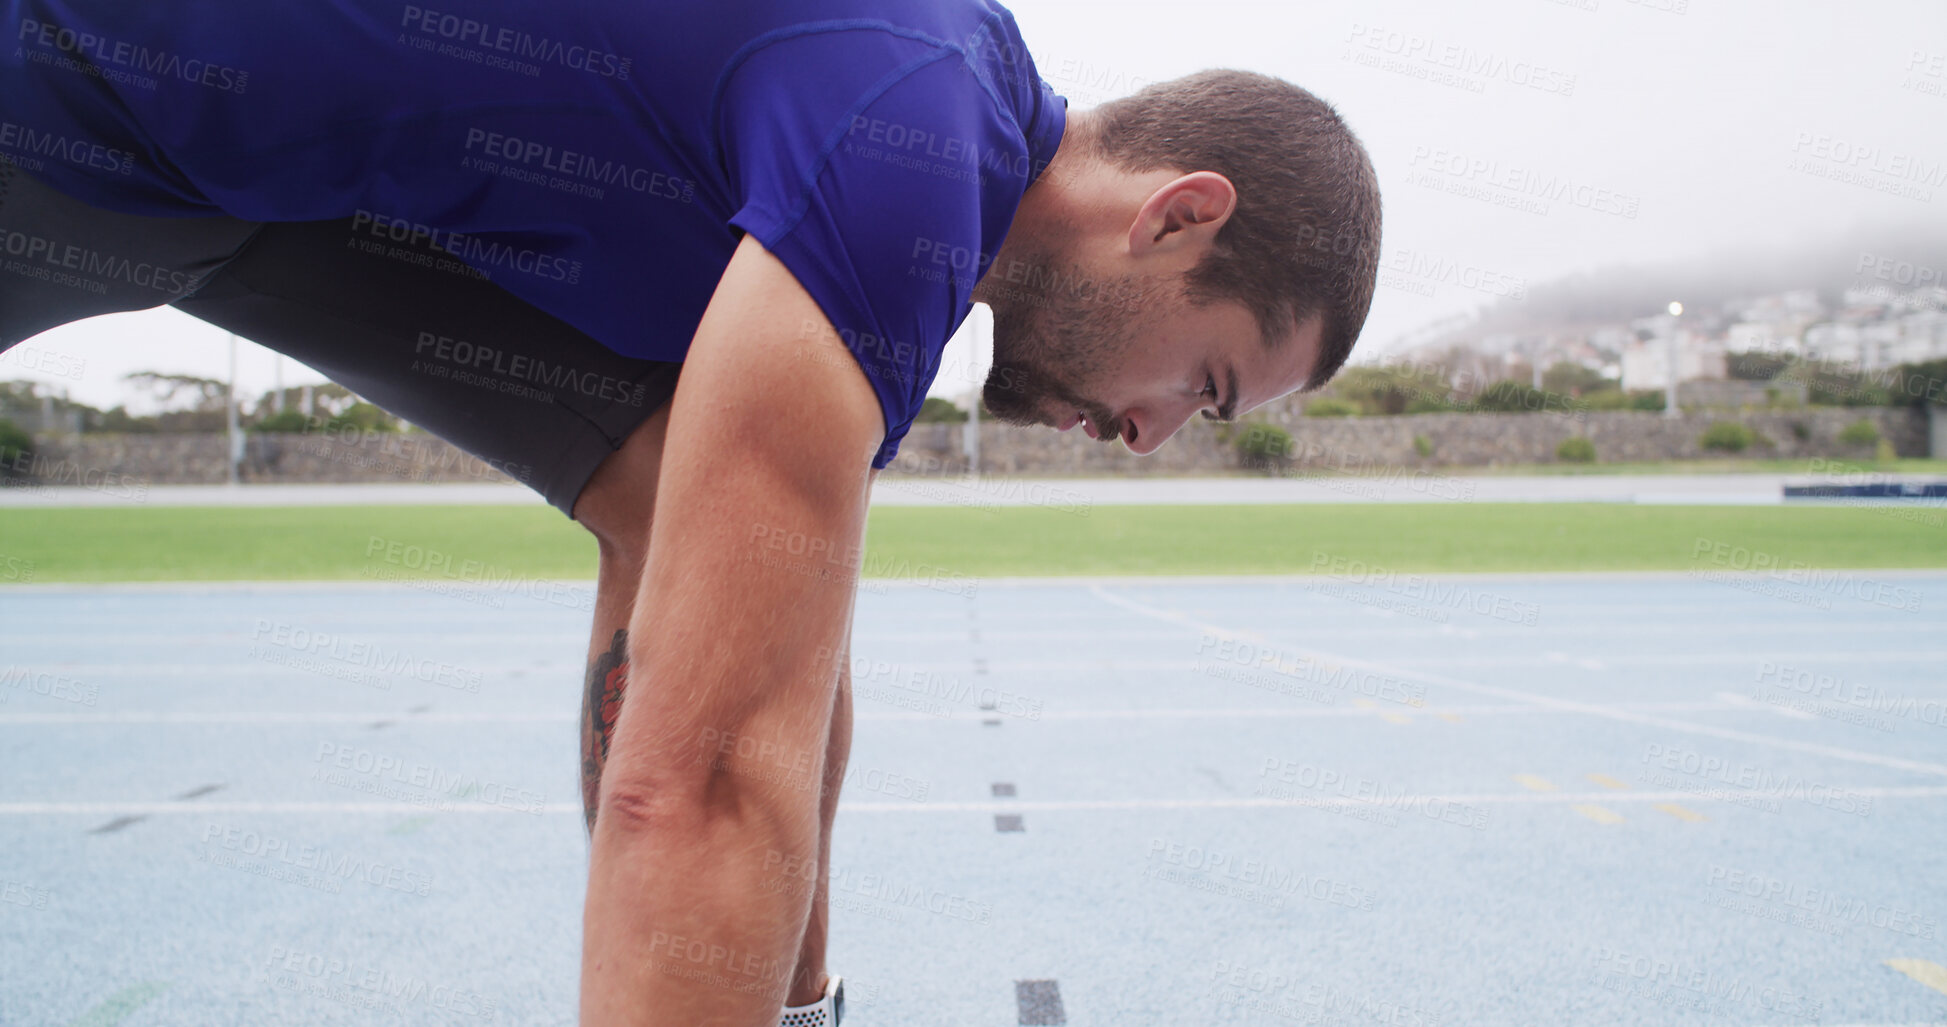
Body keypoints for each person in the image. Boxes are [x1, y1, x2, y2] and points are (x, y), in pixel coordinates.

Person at [0, 0, 1382, 1022]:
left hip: (240, 186)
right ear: (1177, 215)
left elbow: (769, 641)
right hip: (68, 91)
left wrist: (797, 1005)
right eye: (1204, 384)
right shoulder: (906, 151)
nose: (1150, 439)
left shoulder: (916, 132)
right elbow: (700, 785)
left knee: (686, 503)